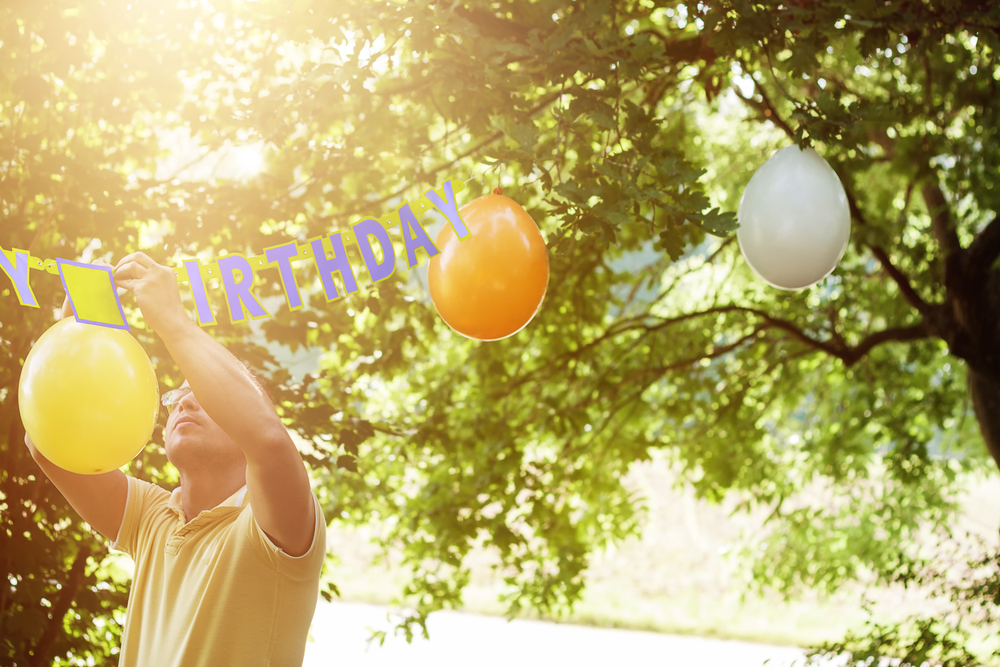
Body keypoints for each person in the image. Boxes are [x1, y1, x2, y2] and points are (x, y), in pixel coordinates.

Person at [23, 252, 326, 667]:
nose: (183, 403)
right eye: (176, 397)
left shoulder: (274, 524)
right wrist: (72, 339)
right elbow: (47, 445)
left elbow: (269, 441)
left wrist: (172, 321)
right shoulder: (152, 516)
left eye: (201, 393)